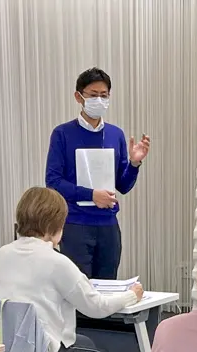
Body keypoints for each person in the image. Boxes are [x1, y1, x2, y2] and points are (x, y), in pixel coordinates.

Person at [0, 187, 143, 352]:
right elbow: (95, 306)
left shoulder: (4, 254)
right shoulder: (57, 261)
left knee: (84, 342)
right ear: (56, 226)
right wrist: (132, 295)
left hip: (9, 350)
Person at [46, 67, 151, 280]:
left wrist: (133, 163)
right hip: (76, 224)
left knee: (107, 289)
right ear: (79, 96)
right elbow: (53, 182)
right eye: (93, 95)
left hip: (108, 226)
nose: (99, 101)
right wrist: (91, 195)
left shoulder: (115, 134)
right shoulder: (63, 134)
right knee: (78, 289)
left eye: (104, 96)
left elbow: (122, 186)